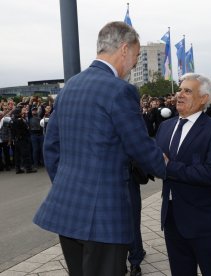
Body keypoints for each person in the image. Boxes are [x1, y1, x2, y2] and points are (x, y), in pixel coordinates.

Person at [33, 21, 166, 276]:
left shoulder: (69, 86)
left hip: (67, 212)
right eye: (137, 56)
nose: (135, 64)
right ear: (124, 49)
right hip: (104, 216)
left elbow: (51, 148)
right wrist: (167, 166)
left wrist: (67, 184)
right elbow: (139, 146)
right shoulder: (120, 90)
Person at [155, 73, 211, 276]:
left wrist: (169, 166)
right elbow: (155, 162)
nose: (179, 94)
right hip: (171, 217)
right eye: (180, 89)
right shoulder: (165, 127)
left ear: (204, 98)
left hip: (203, 219)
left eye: (187, 91)